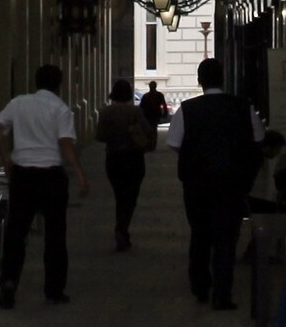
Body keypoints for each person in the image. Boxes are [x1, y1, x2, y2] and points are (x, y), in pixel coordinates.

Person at [0, 64, 89, 308]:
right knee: (55, 235)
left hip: (23, 176)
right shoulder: (61, 109)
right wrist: (79, 174)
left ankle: (9, 282)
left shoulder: (19, 103)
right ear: (59, 84)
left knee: (16, 232)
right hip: (51, 176)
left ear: (36, 81)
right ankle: (54, 289)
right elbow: (65, 143)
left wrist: (6, 157)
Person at [167, 58, 263, 311]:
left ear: (199, 81)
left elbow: (174, 142)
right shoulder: (243, 107)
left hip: (197, 183)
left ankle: (199, 285)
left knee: (200, 234)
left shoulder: (187, 109)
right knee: (227, 238)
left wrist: (194, 159)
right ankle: (222, 294)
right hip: (232, 183)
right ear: (223, 78)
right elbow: (257, 140)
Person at [96, 78, 154, 250]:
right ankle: (122, 229)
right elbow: (148, 131)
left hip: (113, 158)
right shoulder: (135, 112)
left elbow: (100, 135)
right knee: (131, 197)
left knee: (119, 195)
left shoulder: (106, 112)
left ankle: (121, 229)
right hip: (133, 158)